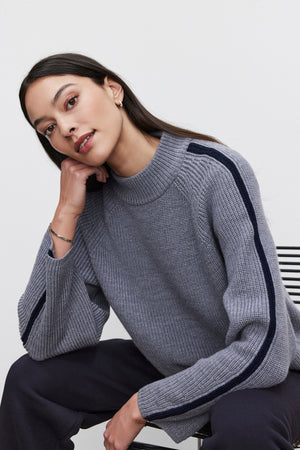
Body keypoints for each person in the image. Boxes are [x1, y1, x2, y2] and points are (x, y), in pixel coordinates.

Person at [0, 53, 300, 450]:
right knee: (29, 383)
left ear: (113, 89)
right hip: (165, 363)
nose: (66, 128)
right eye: (49, 128)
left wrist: (142, 405)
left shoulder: (216, 173)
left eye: (70, 102)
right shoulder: (87, 207)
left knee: (245, 428)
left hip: (264, 371)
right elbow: (43, 343)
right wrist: (67, 212)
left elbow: (266, 346)